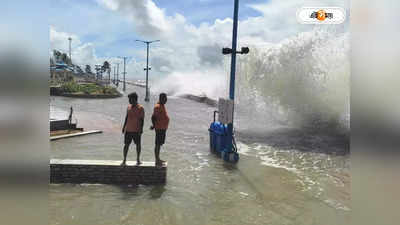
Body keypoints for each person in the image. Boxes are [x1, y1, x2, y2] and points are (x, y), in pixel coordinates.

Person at [122, 92, 145, 166]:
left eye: (130, 99)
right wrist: (123, 127)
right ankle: (124, 159)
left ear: (134, 99)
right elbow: (126, 117)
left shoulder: (140, 108)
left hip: (136, 130)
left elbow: (142, 120)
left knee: (138, 145)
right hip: (128, 130)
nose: (129, 100)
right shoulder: (128, 107)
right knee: (126, 145)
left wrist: (141, 129)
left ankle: (138, 159)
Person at [150, 93, 169, 166]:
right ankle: (157, 159)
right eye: (165, 98)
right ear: (161, 98)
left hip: (162, 128)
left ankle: (158, 158)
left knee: (159, 144)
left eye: (166, 98)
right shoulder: (158, 106)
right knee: (157, 144)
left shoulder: (162, 106)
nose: (166, 100)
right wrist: (154, 126)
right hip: (159, 128)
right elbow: (153, 117)